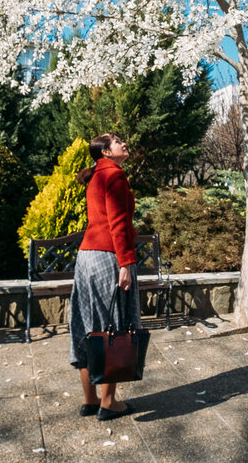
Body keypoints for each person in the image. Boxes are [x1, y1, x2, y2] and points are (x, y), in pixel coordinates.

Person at [69, 133, 139, 421]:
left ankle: (90, 400)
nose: (124, 144)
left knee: (87, 326)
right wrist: (126, 263)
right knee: (114, 327)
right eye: (118, 141)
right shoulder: (115, 175)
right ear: (106, 152)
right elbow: (118, 223)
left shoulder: (97, 175)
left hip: (86, 256)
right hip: (108, 256)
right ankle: (108, 403)